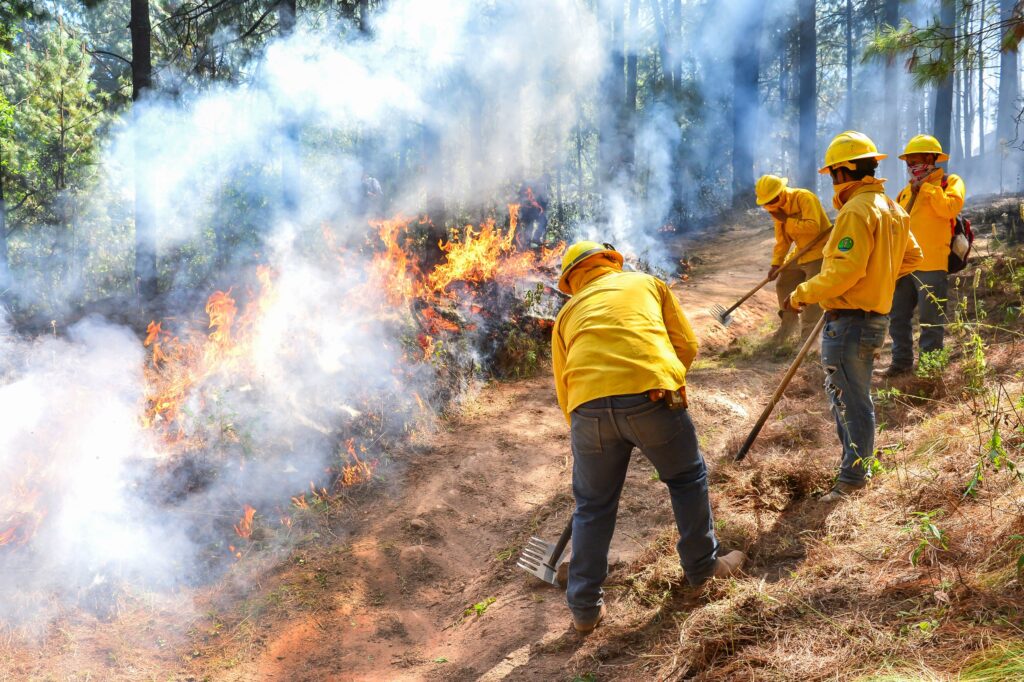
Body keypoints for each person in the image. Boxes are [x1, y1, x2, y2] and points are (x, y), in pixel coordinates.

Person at [551, 240, 745, 634]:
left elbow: (562, 387)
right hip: (652, 396)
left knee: (592, 505)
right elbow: (687, 344)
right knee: (686, 479)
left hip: (587, 409)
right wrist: (666, 380)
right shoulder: (645, 283)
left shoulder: (566, 314)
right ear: (611, 262)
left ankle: (584, 608)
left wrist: (590, 427)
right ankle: (702, 569)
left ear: (572, 281)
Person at [785, 132, 923, 502]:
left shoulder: (856, 210)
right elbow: (913, 256)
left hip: (849, 322)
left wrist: (800, 293)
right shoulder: (892, 208)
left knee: (851, 401)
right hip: (871, 320)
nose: (832, 180)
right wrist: (878, 276)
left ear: (845, 171)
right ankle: (857, 469)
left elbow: (843, 272)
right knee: (854, 397)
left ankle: (852, 479)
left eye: (833, 173)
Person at [884, 135, 966, 377]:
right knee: (897, 318)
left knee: (931, 321)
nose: (912, 166)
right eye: (909, 162)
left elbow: (949, 209)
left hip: (932, 265)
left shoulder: (950, 183)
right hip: (903, 267)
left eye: (916, 160)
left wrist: (927, 188)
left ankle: (931, 370)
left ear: (931, 158)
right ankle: (900, 363)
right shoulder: (904, 193)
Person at [755, 174, 833, 342]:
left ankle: (809, 338)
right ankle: (788, 328)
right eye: (767, 202)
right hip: (801, 252)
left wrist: (787, 220)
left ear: (781, 192)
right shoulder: (776, 209)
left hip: (820, 250)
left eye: (772, 199)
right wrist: (776, 264)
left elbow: (813, 227)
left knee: (812, 293)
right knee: (783, 283)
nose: (770, 204)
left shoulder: (804, 197)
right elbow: (783, 241)